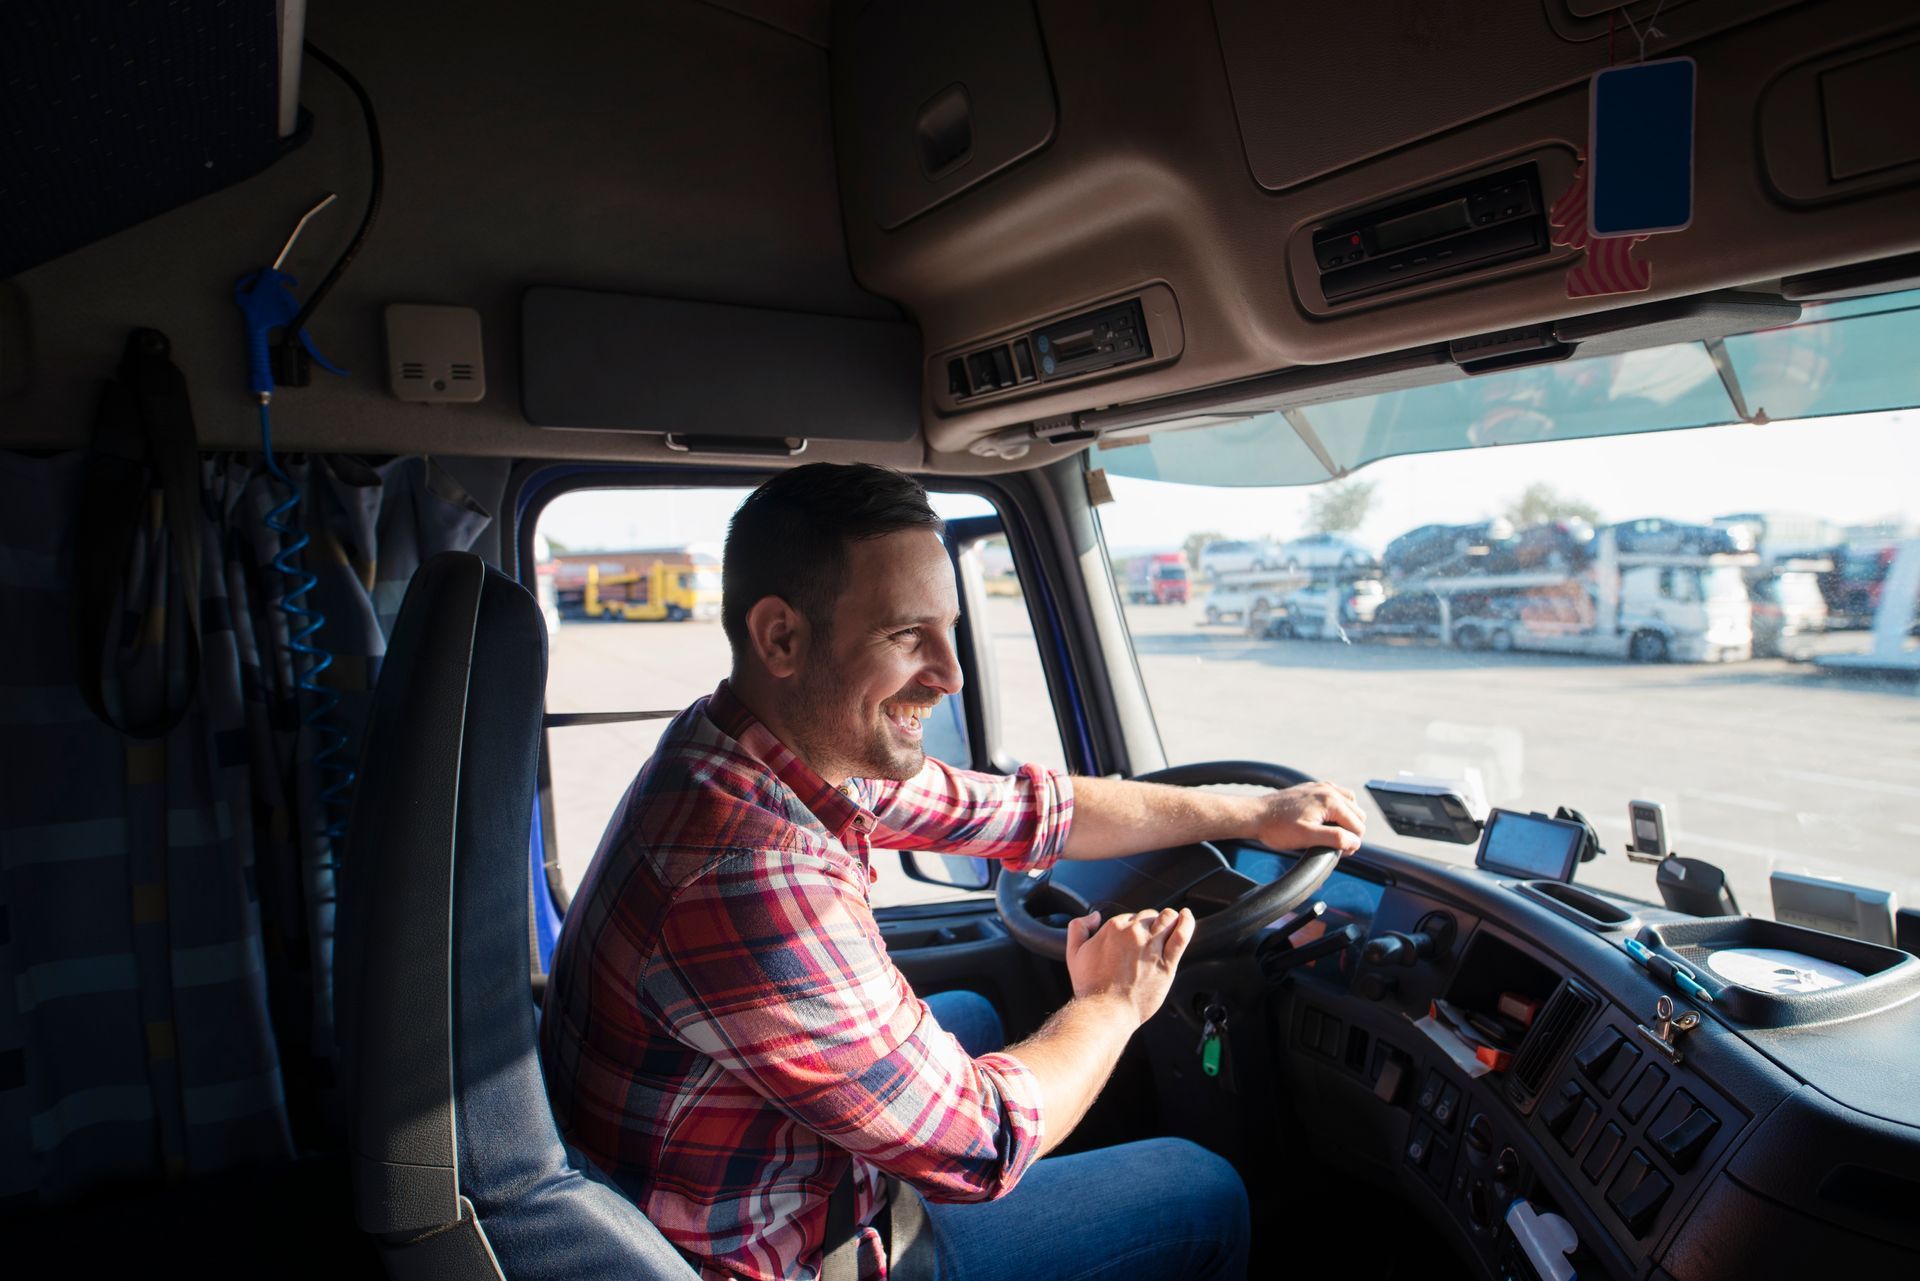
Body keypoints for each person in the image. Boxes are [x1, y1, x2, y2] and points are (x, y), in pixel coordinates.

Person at [539, 464, 1366, 1281]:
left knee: (972, 1008)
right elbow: (986, 1144)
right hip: (789, 1256)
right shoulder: (747, 871)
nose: (950, 672)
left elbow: (1027, 813)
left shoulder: (754, 746)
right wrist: (1114, 1003)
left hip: (742, 1175)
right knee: (1201, 1186)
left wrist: (1252, 811)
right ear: (781, 637)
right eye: (908, 635)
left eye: (948, 628)